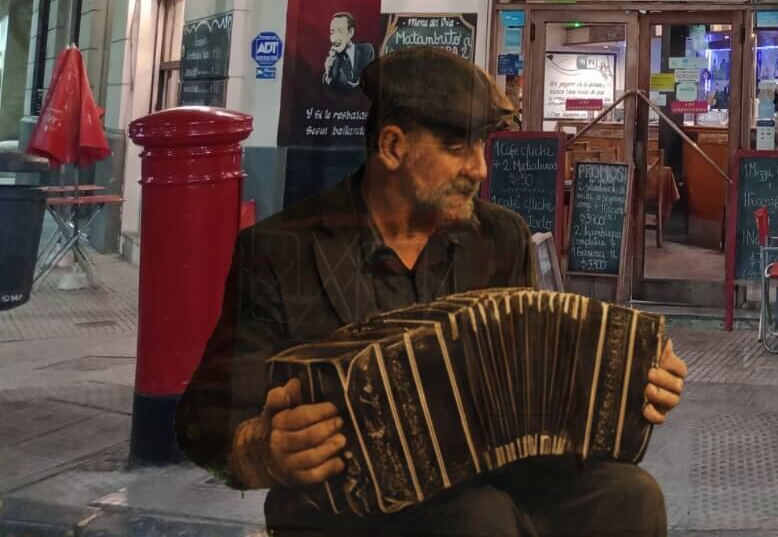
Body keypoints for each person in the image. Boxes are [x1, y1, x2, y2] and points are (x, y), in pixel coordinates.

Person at [176, 47, 688, 536]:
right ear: (392, 146)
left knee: (630, 496)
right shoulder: (280, 248)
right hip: (345, 505)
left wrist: (627, 384)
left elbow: (536, 377)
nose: (480, 168)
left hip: (484, 476)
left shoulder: (499, 238)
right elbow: (206, 418)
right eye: (456, 147)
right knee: (477, 519)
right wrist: (262, 450)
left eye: (481, 146)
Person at [323, 12, 374, 92]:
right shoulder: (333, 60)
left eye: (340, 31)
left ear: (351, 32)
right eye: (332, 32)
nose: (336, 37)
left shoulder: (366, 50)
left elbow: (371, 81)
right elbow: (327, 92)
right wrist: (328, 72)